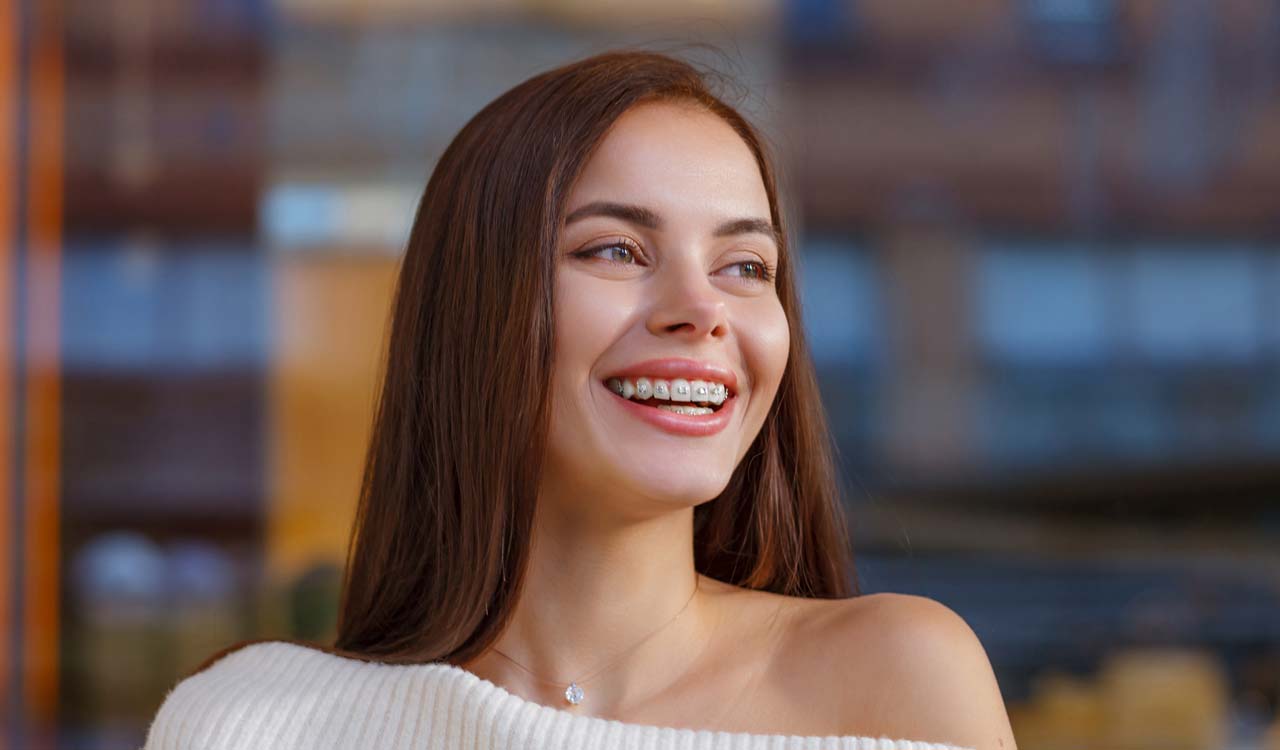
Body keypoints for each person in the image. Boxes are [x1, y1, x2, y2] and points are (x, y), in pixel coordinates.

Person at [142, 48, 1017, 750]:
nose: (703, 312)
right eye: (616, 251)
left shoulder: (903, 677)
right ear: (476, 307)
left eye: (744, 267)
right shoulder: (249, 724)